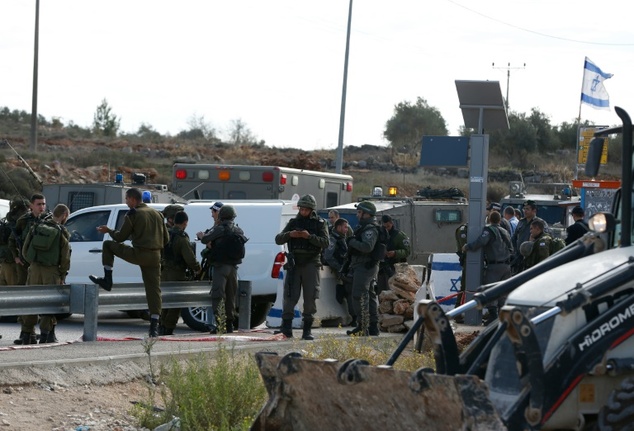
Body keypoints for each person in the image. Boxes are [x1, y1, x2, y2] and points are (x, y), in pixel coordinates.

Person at [89, 187, 169, 337]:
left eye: (126, 199)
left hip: (139, 254)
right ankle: (154, 326)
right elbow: (166, 239)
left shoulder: (133, 214)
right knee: (154, 290)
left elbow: (119, 238)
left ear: (132, 199)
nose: (126, 202)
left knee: (107, 245)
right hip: (155, 257)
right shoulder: (157, 214)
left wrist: (109, 231)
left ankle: (107, 279)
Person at [274, 194, 329, 340]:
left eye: (306, 209)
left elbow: (325, 242)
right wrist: (290, 234)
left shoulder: (320, 223)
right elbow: (278, 239)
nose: (303, 212)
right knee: (290, 296)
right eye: (301, 209)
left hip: (311, 263)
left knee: (310, 298)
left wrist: (309, 237)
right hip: (294, 264)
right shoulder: (293, 222)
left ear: (311, 210)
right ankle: (286, 329)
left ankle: (307, 330)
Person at [21, 204, 71, 343]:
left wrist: (32, 264)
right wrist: (62, 275)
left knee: (31, 301)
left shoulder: (36, 227)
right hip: (52, 272)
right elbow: (65, 257)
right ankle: (44, 336)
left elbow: (25, 250)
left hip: (34, 269)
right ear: (64, 216)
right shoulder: (62, 232)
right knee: (49, 303)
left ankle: (26, 334)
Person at [8, 193, 51, 345]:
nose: (42, 207)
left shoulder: (49, 221)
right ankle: (27, 332)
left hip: (42, 265)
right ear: (31, 205)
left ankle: (47, 332)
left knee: (46, 297)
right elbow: (12, 239)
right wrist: (16, 257)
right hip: (24, 265)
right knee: (25, 298)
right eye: (39, 204)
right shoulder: (23, 221)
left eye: (43, 204)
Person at [202, 205, 247, 334]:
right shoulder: (239, 230)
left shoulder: (219, 229)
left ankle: (220, 324)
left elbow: (205, 239)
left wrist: (202, 235)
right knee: (231, 296)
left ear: (221, 216)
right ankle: (230, 324)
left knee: (218, 295)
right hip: (233, 268)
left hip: (220, 266)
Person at [462, 211, 513, 325]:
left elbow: (481, 241)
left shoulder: (489, 230)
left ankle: (493, 316)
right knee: (503, 291)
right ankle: (502, 317)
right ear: (500, 220)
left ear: (489, 219)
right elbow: (511, 248)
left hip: (494, 266)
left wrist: (468, 247)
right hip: (506, 266)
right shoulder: (505, 231)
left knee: (491, 290)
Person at [159, 211, 201, 335]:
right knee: (175, 303)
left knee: (164, 301)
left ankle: (161, 326)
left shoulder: (165, 234)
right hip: (177, 274)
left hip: (163, 273)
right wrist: (197, 268)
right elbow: (189, 258)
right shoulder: (182, 238)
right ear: (185, 223)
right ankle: (168, 328)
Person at [346, 200, 381, 336]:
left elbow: (367, 247)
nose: (357, 215)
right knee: (370, 295)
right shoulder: (365, 227)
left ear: (367, 214)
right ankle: (372, 326)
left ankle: (363, 326)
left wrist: (351, 241)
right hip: (364, 266)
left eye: (360, 212)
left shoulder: (370, 229)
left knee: (359, 295)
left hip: (365, 266)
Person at [323, 217, 356, 327]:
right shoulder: (333, 239)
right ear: (338, 227)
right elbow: (328, 256)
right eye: (345, 227)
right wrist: (340, 268)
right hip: (342, 271)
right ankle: (354, 317)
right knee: (350, 292)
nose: (347, 229)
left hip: (347, 269)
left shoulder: (344, 238)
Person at [511, 200, 548, 274]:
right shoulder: (521, 222)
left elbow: (546, 239)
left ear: (534, 210)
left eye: (527, 209)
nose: (525, 211)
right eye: (524, 209)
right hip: (519, 258)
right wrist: (515, 251)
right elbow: (514, 238)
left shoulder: (540, 223)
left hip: (532, 259)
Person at [376, 214, 410, 294]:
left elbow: (407, 251)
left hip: (394, 267)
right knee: (381, 292)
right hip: (381, 268)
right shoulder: (379, 234)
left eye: (388, 226)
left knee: (394, 292)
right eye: (384, 227)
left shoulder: (399, 236)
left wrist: (395, 253)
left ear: (391, 223)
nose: (386, 229)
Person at [453, 222, 468, 321]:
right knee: (464, 286)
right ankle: (457, 312)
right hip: (468, 261)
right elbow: (465, 247)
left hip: (475, 262)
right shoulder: (463, 230)